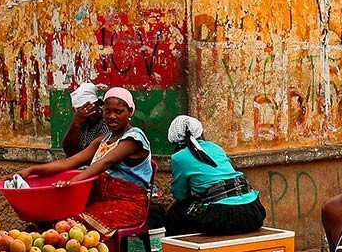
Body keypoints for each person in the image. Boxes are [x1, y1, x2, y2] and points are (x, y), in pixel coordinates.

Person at [16, 87, 152, 233]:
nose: (112, 116)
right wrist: (29, 171)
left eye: (118, 112)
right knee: (50, 220)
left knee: (72, 226)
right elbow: (69, 162)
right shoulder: (103, 140)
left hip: (128, 206)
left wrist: (73, 182)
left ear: (130, 112)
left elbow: (105, 162)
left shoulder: (134, 138)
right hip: (100, 201)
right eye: (107, 111)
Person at [164, 115, 265, 236]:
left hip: (224, 216)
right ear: (200, 133)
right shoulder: (215, 147)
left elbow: (180, 194)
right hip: (253, 211)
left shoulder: (178, 157)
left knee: (176, 214)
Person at [60, 82, 111, 157]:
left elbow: (96, 153)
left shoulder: (106, 122)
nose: (89, 114)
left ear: (98, 104)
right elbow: (68, 150)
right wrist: (75, 123)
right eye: (85, 110)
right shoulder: (81, 122)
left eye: (91, 108)